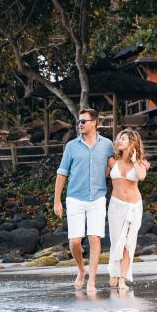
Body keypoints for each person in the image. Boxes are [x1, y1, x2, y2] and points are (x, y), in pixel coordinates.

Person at [53, 108, 114, 293]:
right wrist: (57, 201)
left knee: (94, 238)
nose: (80, 124)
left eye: (84, 121)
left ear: (94, 123)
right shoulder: (71, 146)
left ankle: (92, 281)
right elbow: (62, 173)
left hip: (97, 198)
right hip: (75, 198)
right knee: (75, 241)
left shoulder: (107, 145)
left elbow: (113, 166)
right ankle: (81, 269)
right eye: (79, 121)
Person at [107, 129, 149, 290]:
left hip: (134, 206)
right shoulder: (112, 161)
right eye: (119, 138)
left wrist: (136, 160)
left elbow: (142, 176)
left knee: (128, 244)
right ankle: (114, 272)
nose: (119, 141)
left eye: (123, 139)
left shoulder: (139, 162)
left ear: (133, 142)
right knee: (116, 241)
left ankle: (122, 279)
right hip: (116, 205)